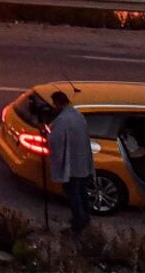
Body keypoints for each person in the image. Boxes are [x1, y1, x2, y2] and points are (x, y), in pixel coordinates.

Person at [45, 90, 94, 232]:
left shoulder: (62, 120)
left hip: (70, 164)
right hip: (81, 161)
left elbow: (55, 140)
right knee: (82, 190)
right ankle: (86, 216)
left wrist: (47, 132)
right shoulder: (78, 115)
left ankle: (78, 222)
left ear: (58, 103)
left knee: (72, 193)